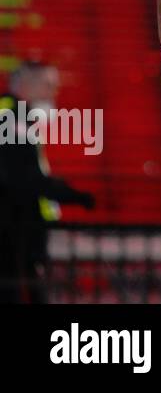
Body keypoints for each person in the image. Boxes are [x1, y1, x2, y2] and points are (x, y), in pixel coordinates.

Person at [0, 61, 96, 303]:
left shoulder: (10, 112)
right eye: (48, 84)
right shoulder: (14, 115)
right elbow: (23, 176)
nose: (54, 91)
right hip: (13, 225)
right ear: (26, 84)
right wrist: (72, 195)